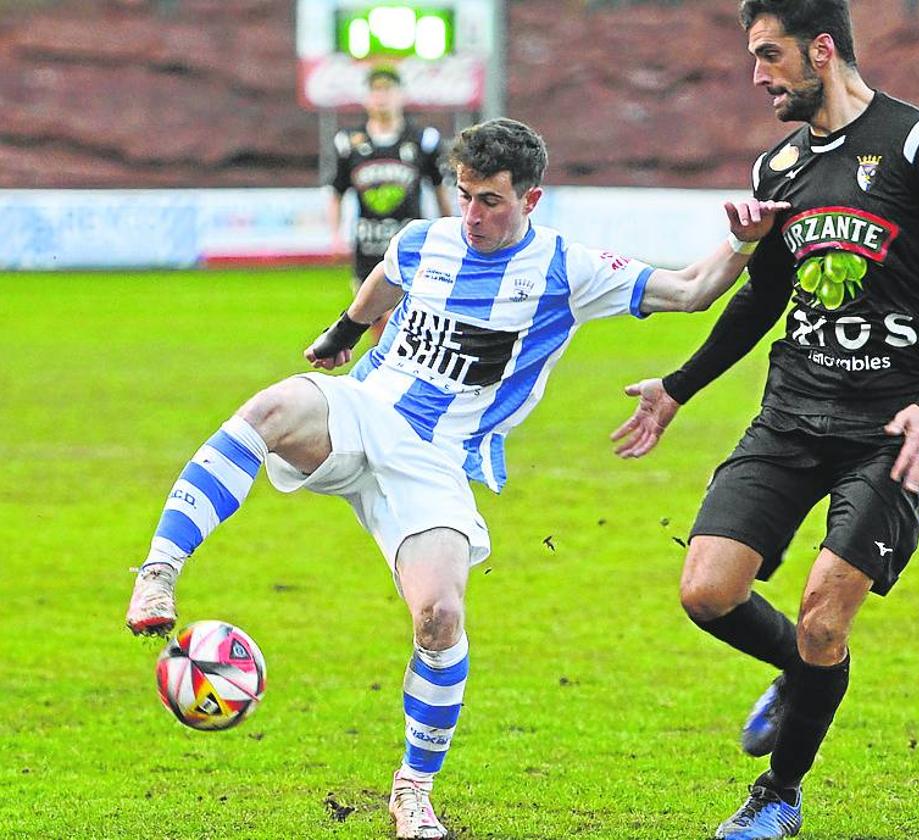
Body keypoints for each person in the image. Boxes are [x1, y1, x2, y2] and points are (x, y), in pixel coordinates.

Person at [125, 118, 788, 840]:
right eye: (464, 196)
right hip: (363, 412)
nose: (471, 216)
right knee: (269, 408)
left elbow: (691, 290)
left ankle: (412, 791)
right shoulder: (429, 237)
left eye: (490, 202)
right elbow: (388, 275)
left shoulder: (567, 269)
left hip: (439, 464)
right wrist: (343, 334)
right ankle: (159, 571)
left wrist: (744, 240)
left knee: (439, 617)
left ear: (531, 199)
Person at [611, 2, 919, 837]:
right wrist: (679, 387)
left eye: (770, 56)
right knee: (707, 592)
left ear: (821, 51)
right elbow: (764, 298)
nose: (759, 76)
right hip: (791, 414)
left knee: (826, 618)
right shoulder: (779, 166)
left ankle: (778, 794)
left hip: (892, 431)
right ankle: (800, 673)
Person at [328, 64, 454, 344]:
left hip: (409, 244)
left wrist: (451, 227)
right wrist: (335, 236)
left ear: (401, 95)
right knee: (374, 321)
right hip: (368, 246)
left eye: (387, 91)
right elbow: (337, 192)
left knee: (401, 321)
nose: (381, 98)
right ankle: (385, 378)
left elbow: (437, 189)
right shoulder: (349, 143)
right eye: (375, 91)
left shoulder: (422, 140)